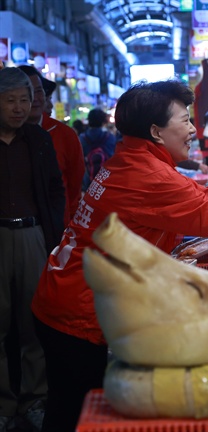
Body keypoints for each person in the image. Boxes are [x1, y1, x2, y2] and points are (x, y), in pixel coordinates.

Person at [31, 79, 208, 432]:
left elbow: (206, 198)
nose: (192, 130)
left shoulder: (135, 160)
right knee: (75, 416)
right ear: (155, 131)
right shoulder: (144, 174)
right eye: (184, 121)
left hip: (70, 297)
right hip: (77, 311)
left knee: (73, 408)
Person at [0, 67, 65, 432]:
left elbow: (56, 188)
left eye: (24, 100)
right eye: (10, 100)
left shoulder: (38, 140)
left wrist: (50, 231)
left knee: (33, 322)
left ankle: (35, 398)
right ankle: (4, 406)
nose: (19, 108)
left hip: (31, 236)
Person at [18, 65, 86, 227]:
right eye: (27, 93)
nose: (35, 98)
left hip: (58, 226)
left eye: (39, 91)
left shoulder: (65, 135)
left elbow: (74, 186)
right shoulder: (7, 135)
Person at [79, 108, 117, 191]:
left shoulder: (82, 138)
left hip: (88, 179)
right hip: (107, 179)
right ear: (104, 121)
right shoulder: (110, 137)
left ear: (89, 121)